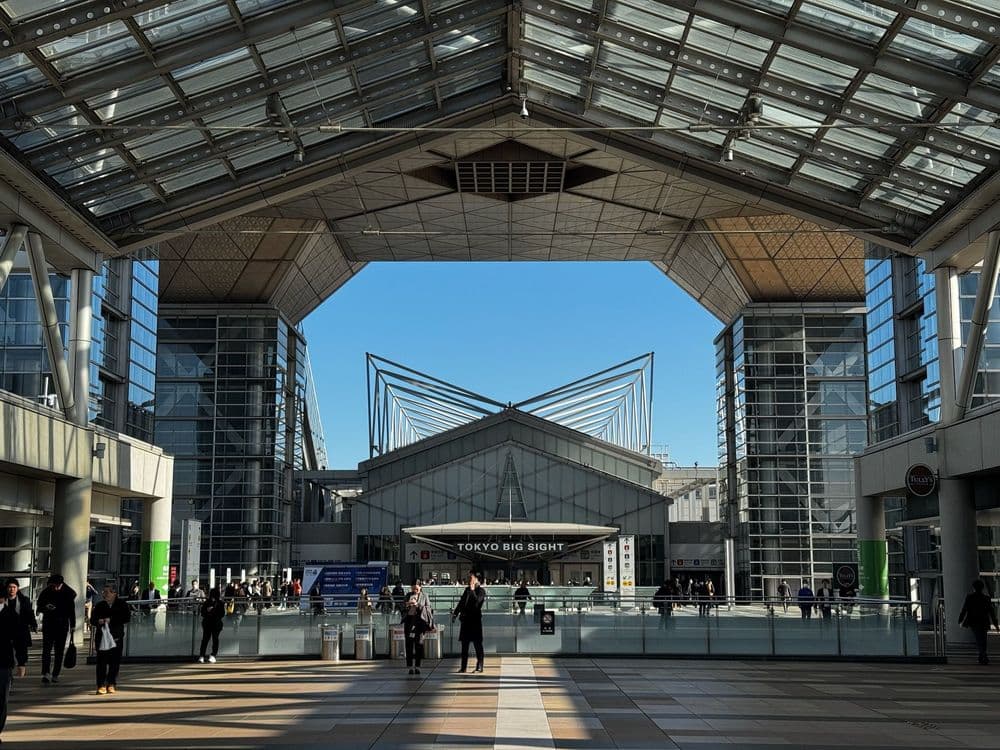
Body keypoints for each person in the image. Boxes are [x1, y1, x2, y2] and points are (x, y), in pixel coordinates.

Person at [0, 580, 33, 741]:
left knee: (1, 699)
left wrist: (21, 662)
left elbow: (19, 640)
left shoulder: (12, 616)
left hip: (3, 663)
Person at [90, 583, 130, 695]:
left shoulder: (122, 605)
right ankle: (101, 685)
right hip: (102, 637)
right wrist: (99, 621)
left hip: (116, 637)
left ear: (114, 593)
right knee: (101, 662)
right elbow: (93, 619)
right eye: (104, 592)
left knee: (115, 663)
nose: (105, 594)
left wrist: (111, 620)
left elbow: (126, 618)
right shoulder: (99, 605)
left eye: (107, 592)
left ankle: (111, 683)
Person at [36, 573, 75, 685]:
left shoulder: (68, 593)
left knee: (59, 651)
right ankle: (46, 673)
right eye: (54, 585)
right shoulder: (47, 591)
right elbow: (39, 606)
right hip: (49, 624)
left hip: (62, 625)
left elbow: (71, 611)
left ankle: (55, 674)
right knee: (46, 650)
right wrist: (46, 607)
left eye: (58, 585)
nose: (56, 587)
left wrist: (72, 625)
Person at [451, 571, 486, 673]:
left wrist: (472, 591)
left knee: (477, 644)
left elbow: (477, 604)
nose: (468, 580)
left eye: (471, 578)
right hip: (465, 621)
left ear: (476, 579)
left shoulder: (481, 591)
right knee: (464, 645)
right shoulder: (466, 590)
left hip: (475, 621)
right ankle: (463, 666)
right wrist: (455, 613)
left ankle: (480, 665)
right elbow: (461, 603)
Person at [959, 579, 1000, 665]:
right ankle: (982, 656)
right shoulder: (986, 598)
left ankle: (983, 655)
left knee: (979, 639)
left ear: (974, 588)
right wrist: (996, 625)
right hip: (984, 621)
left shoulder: (970, 597)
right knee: (983, 639)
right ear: (982, 588)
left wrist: (960, 619)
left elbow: (965, 609)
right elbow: (991, 612)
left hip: (974, 621)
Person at [401, 592, 432, 676]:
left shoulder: (424, 596)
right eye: (413, 588)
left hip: (419, 624)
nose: (415, 590)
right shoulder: (408, 595)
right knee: (409, 645)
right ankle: (410, 666)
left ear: (420, 587)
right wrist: (407, 605)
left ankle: (418, 666)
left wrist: (418, 605)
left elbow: (428, 609)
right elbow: (402, 608)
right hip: (409, 623)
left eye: (417, 588)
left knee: (419, 645)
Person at [198, 589, 225, 664]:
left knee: (205, 640)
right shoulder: (220, 603)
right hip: (216, 623)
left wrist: (208, 611)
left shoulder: (206, 602)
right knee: (215, 639)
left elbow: (203, 613)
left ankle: (202, 656)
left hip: (207, 623)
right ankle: (213, 655)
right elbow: (222, 614)